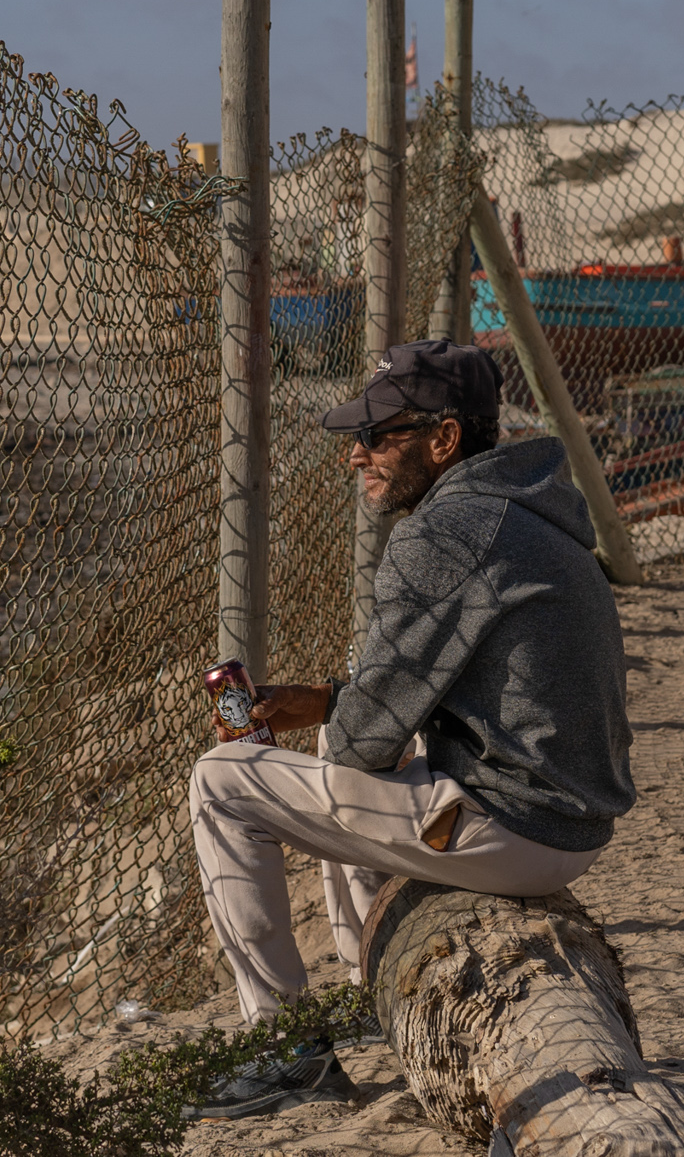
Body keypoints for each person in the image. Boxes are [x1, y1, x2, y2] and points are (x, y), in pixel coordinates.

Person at [181, 339, 635, 1120]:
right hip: (571, 815)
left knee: (220, 783)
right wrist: (328, 699)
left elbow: (368, 743)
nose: (355, 456)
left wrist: (345, 711)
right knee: (332, 735)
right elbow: (385, 712)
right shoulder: (526, 507)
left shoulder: (442, 535)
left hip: (517, 829)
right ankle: (376, 985)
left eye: (377, 436)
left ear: (443, 439)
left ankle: (287, 1051)